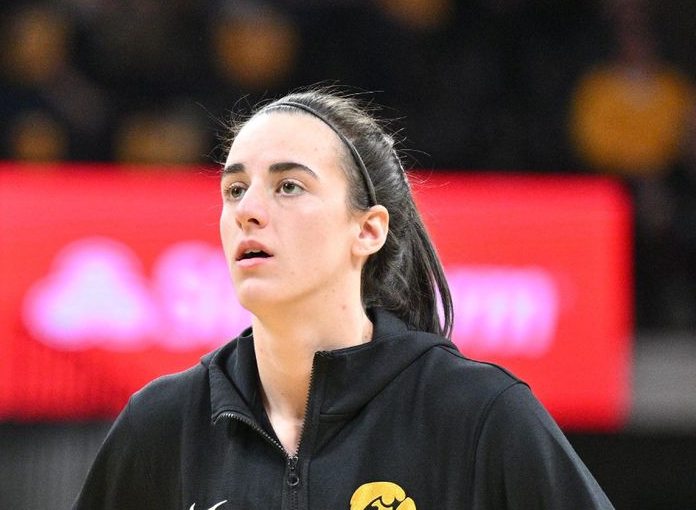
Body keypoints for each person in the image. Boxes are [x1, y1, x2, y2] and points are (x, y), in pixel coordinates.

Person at [73, 89, 614, 509]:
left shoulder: (478, 414)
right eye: (235, 189)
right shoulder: (162, 425)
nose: (247, 210)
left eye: (289, 186)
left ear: (368, 231)